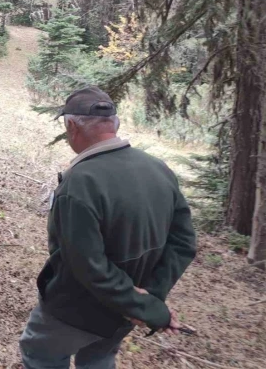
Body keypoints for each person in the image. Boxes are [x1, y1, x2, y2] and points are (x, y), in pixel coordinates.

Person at [19, 86, 197, 369]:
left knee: (40, 354)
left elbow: (88, 266)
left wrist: (143, 305)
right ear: (115, 124)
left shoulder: (79, 184)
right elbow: (184, 243)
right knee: (99, 358)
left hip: (74, 311)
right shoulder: (159, 169)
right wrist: (148, 298)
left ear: (71, 126)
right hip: (124, 315)